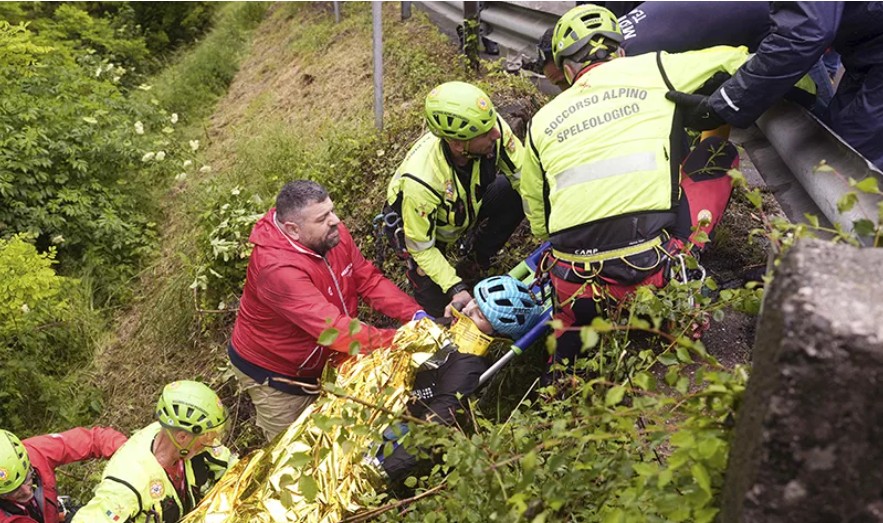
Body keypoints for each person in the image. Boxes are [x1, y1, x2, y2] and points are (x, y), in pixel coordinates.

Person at [521, 4, 748, 369]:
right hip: (647, 272)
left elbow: (536, 209)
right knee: (717, 153)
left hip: (573, 283)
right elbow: (733, 59)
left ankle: (562, 376)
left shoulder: (539, 121)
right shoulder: (656, 66)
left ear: (566, 70)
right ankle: (679, 300)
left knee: (565, 363)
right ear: (622, 52)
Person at [230, 180, 424, 441]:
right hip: (277, 375)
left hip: (325, 355)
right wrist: (401, 339)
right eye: (323, 218)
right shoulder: (276, 270)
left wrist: (415, 315)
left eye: (332, 210)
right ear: (293, 229)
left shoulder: (331, 234)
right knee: (295, 449)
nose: (335, 220)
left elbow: (367, 279)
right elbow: (335, 331)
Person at [666, 2, 883, 171]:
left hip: (870, 54)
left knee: (848, 162)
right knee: (837, 145)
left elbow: (803, 35)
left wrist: (725, 103)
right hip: (866, 55)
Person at [375, 275, 544, 485]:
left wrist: (382, 469)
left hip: (400, 418)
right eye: (474, 301)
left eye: (479, 315)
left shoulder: (467, 368)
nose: (467, 311)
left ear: (496, 331)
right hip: (381, 395)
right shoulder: (446, 327)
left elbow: (438, 418)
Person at [385, 81, 525, 318]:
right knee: (443, 309)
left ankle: (474, 262)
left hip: (466, 204)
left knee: (511, 194)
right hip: (419, 228)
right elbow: (422, 248)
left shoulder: (491, 128)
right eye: (485, 133)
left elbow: (526, 178)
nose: (497, 133)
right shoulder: (422, 181)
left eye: (492, 123)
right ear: (458, 144)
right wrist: (455, 288)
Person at [72, 381, 233, 523]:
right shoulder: (128, 483)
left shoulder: (189, 444)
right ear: (182, 436)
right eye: (209, 436)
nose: (212, 441)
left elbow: (231, 467)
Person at [0, 427, 126, 523]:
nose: (26, 491)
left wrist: (132, 455)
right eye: (13, 491)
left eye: (27, 478)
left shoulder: (35, 452)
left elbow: (94, 439)